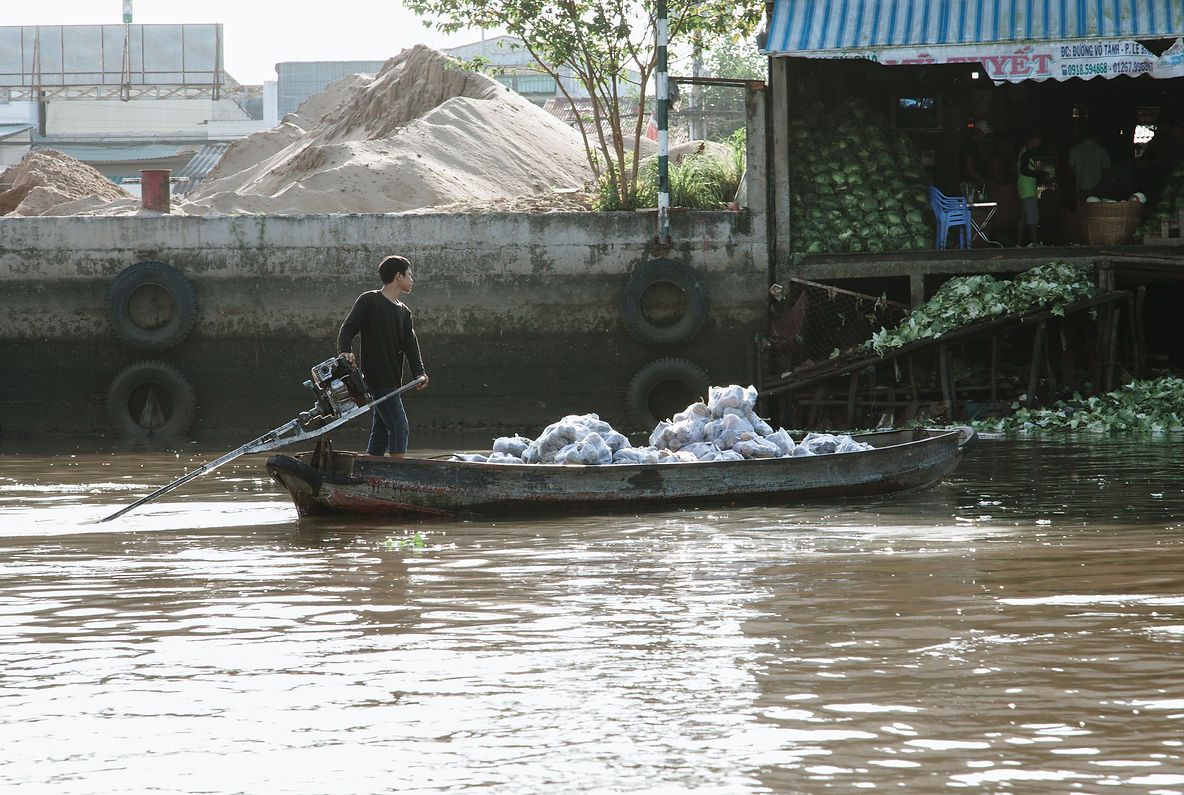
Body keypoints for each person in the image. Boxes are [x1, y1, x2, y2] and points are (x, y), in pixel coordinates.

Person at [337, 255, 429, 457]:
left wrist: (419, 372)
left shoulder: (404, 312)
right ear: (398, 276)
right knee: (399, 427)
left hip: (393, 380)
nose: (412, 280)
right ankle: (397, 472)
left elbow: (411, 345)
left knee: (381, 430)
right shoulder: (369, 300)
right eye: (409, 275)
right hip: (376, 377)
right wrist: (345, 351)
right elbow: (348, 329)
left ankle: (368, 469)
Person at [1068, 124, 1111, 208]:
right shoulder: (1102, 151)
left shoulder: (1075, 150)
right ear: (1096, 135)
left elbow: (1071, 170)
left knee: (1082, 211)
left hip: (1081, 186)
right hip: (1098, 188)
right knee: (1096, 212)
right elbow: (1106, 172)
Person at [1016, 132, 1042, 246]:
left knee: (1023, 218)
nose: (1039, 144)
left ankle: (1018, 244)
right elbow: (1024, 170)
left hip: (1024, 188)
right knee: (1032, 218)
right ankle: (1035, 243)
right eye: (1038, 141)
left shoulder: (1025, 152)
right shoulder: (1025, 153)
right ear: (1032, 139)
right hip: (1027, 189)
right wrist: (1038, 174)